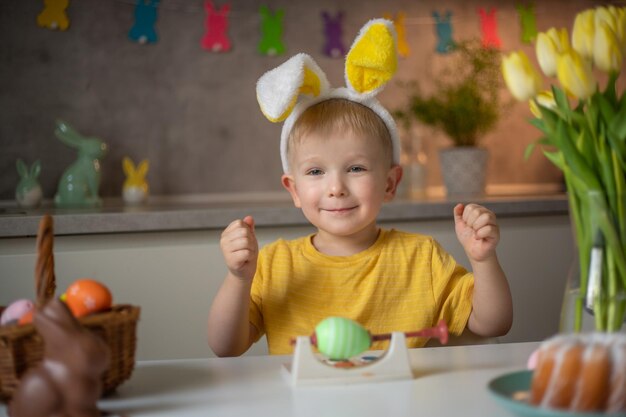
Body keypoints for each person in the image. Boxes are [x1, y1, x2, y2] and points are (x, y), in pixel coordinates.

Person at [207, 19, 512, 357]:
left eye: (355, 168)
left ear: (390, 183)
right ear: (293, 190)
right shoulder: (274, 264)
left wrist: (482, 260)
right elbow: (225, 347)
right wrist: (238, 278)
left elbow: (493, 324)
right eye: (315, 171)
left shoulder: (421, 258)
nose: (336, 187)